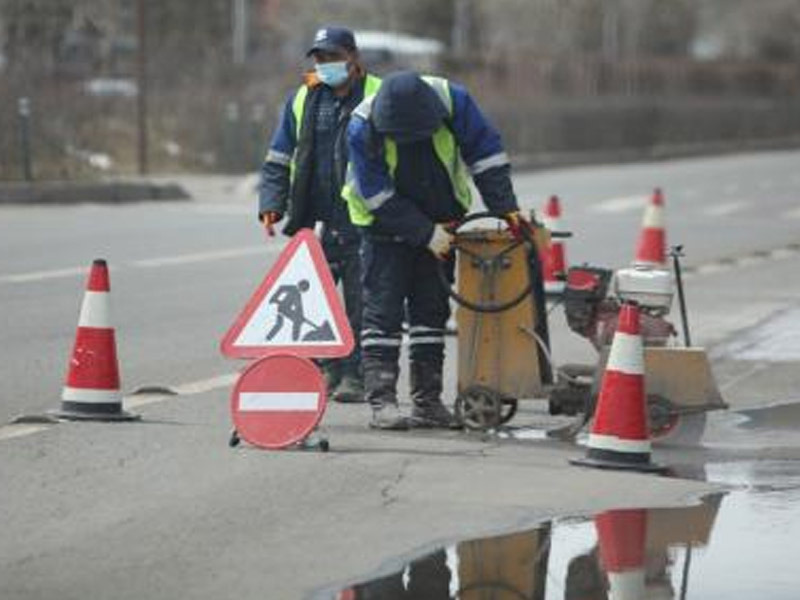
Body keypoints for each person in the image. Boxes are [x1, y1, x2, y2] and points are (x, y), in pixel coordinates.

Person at [342, 70, 535, 430]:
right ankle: (382, 402)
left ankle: (427, 402)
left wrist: (504, 205)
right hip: (383, 227)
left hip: (442, 219)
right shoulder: (362, 126)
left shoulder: (455, 102)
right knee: (382, 312)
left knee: (430, 311)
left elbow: (486, 156)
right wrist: (424, 233)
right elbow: (376, 195)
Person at [258, 26, 381, 403]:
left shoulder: (379, 94)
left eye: (333, 57)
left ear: (353, 57)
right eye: (320, 58)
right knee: (314, 303)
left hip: (364, 219)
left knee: (363, 302)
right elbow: (280, 155)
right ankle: (328, 368)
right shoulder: (304, 99)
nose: (325, 65)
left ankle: (356, 375)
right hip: (316, 219)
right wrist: (271, 202)